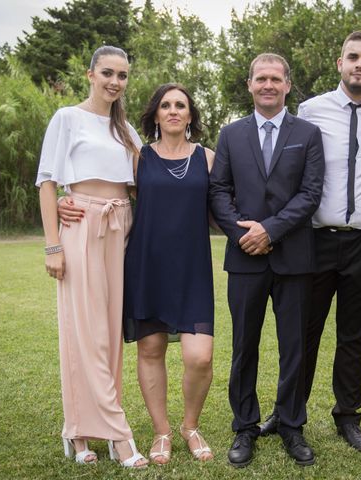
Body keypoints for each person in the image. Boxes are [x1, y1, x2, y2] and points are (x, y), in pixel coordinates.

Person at [259, 31, 361, 453]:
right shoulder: (310, 110)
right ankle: (288, 412)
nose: (359, 64)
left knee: (354, 333)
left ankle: (348, 416)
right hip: (315, 238)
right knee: (304, 331)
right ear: (340, 63)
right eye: (352, 56)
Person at [209, 53, 325, 467]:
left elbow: (311, 195)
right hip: (244, 259)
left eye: (276, 79)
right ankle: (245, 426)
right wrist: (245, 235)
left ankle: (291, 424)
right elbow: (218, 190)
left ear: (288, 85)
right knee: (244, 346)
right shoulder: (231, 134)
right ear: (250, 84)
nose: (268, 85)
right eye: (261, 78)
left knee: (294, 346)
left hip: (294, 258)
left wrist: (270, 230)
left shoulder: (308, 134)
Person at [36, 45, 148, 469]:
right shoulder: (67, 118)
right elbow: (48, 182)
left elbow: (149, 174)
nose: (114, 82)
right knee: (84, 333)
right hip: (81, 228)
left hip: (120, 231)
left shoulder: (125, 131)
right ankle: (117, 436)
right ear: (90, 74)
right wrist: (53, 244)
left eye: (122, 75)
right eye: (107, 73)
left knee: (108, 336)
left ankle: (79, 430)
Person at [123, 84, 215, 465]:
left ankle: (190, 426)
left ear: (190, 115)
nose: (173, 111)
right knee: (151, 348)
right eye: (166, 105)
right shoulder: (137, 158)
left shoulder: (209, 158)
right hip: (148, 264)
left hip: (193, 268)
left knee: (200, 357)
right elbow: (112, 199)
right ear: (156, 115)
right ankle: (162, 430)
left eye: (181, 105)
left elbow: (225, 205)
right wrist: (68, 202)